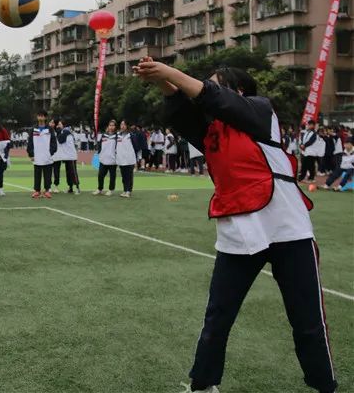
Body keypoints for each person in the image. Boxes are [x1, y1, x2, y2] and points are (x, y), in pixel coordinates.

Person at [136, 58, 336, 393]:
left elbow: (215, 98)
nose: (205, 90)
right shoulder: (209, 132)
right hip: (238, 231)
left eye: (214, 84)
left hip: (288, 227)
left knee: (307, 321)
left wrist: (169, 72)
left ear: (239, 91)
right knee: (218, 317)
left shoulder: (261, 111)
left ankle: (324, 386)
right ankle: (202, 385)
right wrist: (159, 79)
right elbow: (180, 110)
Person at [27, 110, 57, 199]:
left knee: (47, 174)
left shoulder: (50, 129)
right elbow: (30, 143)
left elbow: (53, 143)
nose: (40, 117)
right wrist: (31, 154)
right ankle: (37, 191)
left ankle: (47, 190)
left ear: (45, 117)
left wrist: (50, 152)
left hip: (47, 156)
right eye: (39, 115)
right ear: (37, 117)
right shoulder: (33, 129)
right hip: (37, 156)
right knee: (37, 174)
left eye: (42, 116)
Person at [54, 119, 80, 194]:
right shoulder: (64, 131)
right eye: (57, 125)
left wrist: (58, 131)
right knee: (68, 173)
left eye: (60, 124)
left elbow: (60, 140)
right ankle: (70, 188)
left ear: (63, 125)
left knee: (73, 172)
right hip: (66, 156)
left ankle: (77, 188)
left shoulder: (66, 131)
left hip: (71, 156)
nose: (58, 126)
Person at [93, 120, 117, 196]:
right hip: (103, 159)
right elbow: (99, 145)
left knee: (112, 176)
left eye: (113, 125)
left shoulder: (117, 136)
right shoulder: (104, 135)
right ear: (108, 126)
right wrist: (98, 150)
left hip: (113, 160)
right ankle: (100, 189)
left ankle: (111, 189)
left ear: (115, 127)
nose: (111, 127)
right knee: (100, 175)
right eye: (110, 125)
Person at [116, 120, 137, 197]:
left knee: (129, 176)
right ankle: (125, 190)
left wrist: (135, 159)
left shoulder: (131, 135)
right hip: (121, 159)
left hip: (129, 159)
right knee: (124, 176)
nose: (122, 126)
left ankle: (129, 191)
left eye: (124, 124)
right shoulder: (117, 135)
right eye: (121, 124)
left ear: (127, 126)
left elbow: (135, 147)